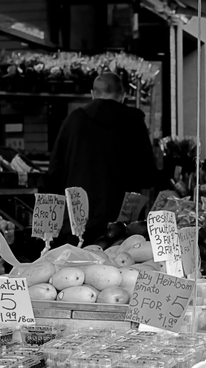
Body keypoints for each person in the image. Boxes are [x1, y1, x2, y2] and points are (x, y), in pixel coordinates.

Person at [48, 72, 156, 245]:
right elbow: (147, 175)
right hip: (121, 226)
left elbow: (54, 173)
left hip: (78, 221)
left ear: (93, 93)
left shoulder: (74, 120)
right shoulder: (134, 122)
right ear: (123, 96)